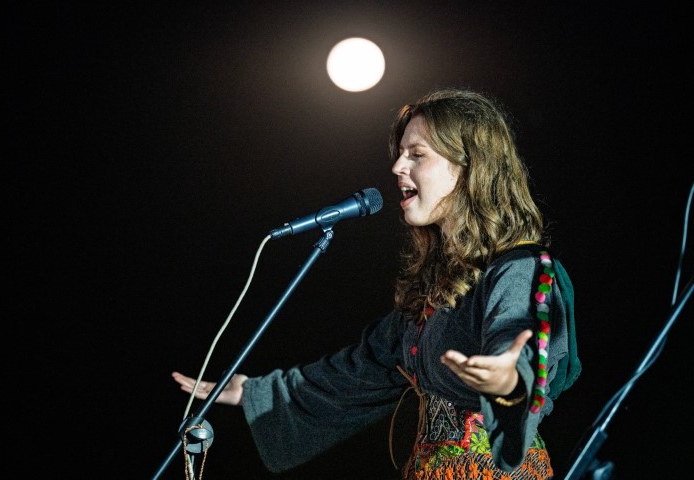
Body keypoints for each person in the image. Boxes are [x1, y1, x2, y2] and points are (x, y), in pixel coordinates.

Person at [172, 87, 581, 480]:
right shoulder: (436, 289)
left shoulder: (521, 267)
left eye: (417, 155)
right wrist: (254, 392)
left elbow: (520, 338)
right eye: (400, 154)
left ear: (470, 166)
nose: (397, 167)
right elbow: (362, 369)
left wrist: (508, 380)